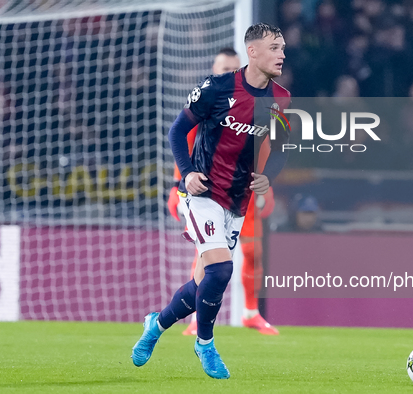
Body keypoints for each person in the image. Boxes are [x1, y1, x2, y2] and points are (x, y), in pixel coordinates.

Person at [131, 23, 290, 379]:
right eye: (275, 47)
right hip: (202, 193)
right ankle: (205, 344)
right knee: (221, 270)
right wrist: (186, 173)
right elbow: (177, 130)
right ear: (253, 52)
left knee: (204, 283)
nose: (282, 54)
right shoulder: (217, 88)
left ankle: (156, 325)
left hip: (238, 200)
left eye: (283, 48)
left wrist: (269, 177)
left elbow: (280, 147)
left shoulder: (280, 99)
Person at [167, 47, 280, 337]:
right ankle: (196, 320)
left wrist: (269, 182)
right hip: (207, 187)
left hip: (244, 189)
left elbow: (267, 144)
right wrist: (177, 184)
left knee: (253, 251)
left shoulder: (261, 102)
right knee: (208, 255)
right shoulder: (209, 99)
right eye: (221, 68)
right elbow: (185, 141)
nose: (225, 73)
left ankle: (251, 314)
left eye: (231, 68)